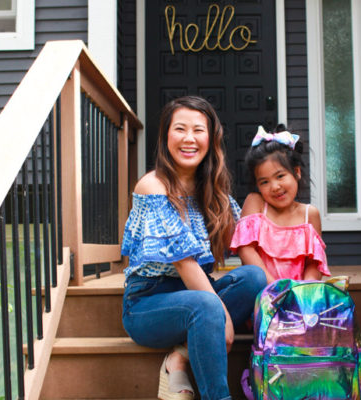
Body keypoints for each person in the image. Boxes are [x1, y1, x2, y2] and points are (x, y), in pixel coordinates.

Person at [121, 96, 266, 400]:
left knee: (253, 277)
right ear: (166, 136)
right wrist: (224, 316)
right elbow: (184, 263)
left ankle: (180, 357)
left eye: (198, 130)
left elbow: (244, 240)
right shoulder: (153, 186)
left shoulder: (213, 188)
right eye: (180, 129)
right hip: (148, 303)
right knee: (206, 304)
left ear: (211, 139)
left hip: (197, 295)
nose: (189, 138)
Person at [230, 125, 331, 284]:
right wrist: (276, 289)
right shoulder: (256, 203)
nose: (275, 187)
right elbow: (246, 250)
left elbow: (314, 263)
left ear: (296, 172)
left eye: (280, 176)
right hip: (261, 291)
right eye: (264, 182)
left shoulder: (309, 214)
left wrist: (304, 290)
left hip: (297, 295)